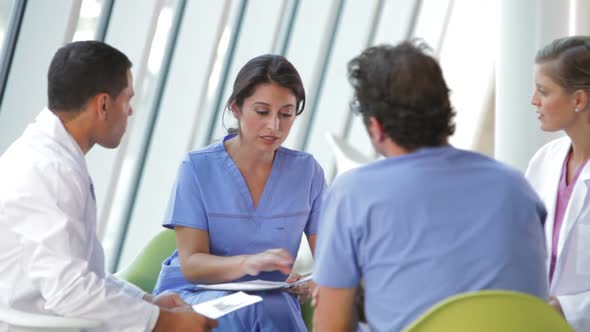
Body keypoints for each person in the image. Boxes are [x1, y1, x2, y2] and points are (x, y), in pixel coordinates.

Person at [312, 41, 549, 331]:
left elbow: (331, 327)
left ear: (376, 126)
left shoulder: (353, 193)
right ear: (445, 108)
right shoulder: (515, 185)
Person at [0, 41, 217, 332]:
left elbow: (86, 271)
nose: (130, 112)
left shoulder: (50, 156)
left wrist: (148, 302)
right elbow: (71, 290)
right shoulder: (51, 171)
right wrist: (164, 322)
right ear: (103, 104)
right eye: (127, 100)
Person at [152, 54, 326, 331]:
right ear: (236, 107)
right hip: (195, 295)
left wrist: (314, 280)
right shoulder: (198, 167)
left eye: (286, 113)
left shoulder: (307, 172)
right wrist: (249, 263)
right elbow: (193, 265)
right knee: (263, 309)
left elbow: (328, 259)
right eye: (262, 111)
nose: (274, 126)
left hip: (271, 299)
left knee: (272, 306)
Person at [526, 36, 590, 331]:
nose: (534, 101)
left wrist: (566, 309)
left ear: (578, 100)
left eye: (543, 91)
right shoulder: (545, 160)